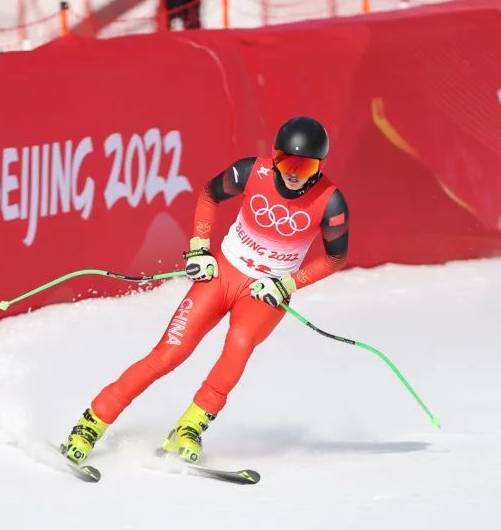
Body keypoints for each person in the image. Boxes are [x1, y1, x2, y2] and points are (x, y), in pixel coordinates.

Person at [62, 116, 350, 465]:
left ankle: (189, 429)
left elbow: (335, 258)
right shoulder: (249, 172)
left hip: (266, 291)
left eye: (305, 167)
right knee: (169, 354)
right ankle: (91, 423)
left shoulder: (331, 203)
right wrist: (199, 248)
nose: (293, 172)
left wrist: (287, 283)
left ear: (319, 168)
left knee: (238, 348)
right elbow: (208, 196)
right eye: (287, 162)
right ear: (274, 156)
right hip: (223, 273)